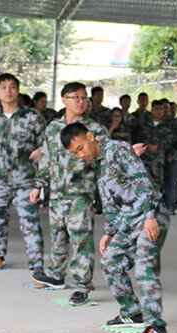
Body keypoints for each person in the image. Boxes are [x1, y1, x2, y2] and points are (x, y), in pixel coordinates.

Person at [62, 122, 170, 333]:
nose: (81, 155)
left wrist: (150, 215)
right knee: (111, 262)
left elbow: (142, 181)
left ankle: (156, 328)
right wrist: (109, 232)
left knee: (145, 267)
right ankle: (132, 312)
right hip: (129, 221)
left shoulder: (117, 150)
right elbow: (112, 202)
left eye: (80, 148)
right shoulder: (98, 163)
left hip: (149, 217)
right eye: (75, 153)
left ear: (90, 136)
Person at [31, 82, 108, 305]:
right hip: (57, 192)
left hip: (81, 193)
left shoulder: (94, 130)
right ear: (64, 100)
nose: (81, 102)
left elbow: (104, 159)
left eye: (84, 98)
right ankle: (56, 274)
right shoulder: (53, 128)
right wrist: (38, 185)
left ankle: (82, 285)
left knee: (81, 239)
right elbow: (46, 158)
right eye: (76, 97)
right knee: (58, 235)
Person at [0, 73, 46, 271]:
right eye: (3, 87)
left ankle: (37, 266)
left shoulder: (32, 117)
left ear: (18, 91)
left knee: (29, 222)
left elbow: (47, 145)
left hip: (25, 179)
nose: (8, 91)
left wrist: (41, 152)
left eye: (12, 86)